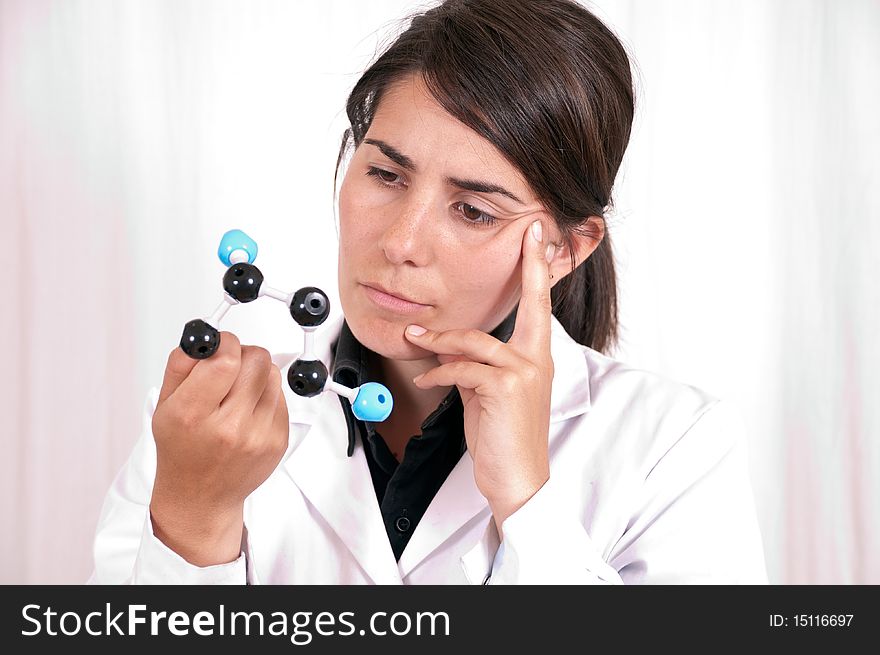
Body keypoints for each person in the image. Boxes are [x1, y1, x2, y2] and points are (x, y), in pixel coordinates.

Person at [89, 0, 768, 584]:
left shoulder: (673, 446)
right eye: (385, 173)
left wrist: (528, 504)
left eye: (473, 210)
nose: (400, 242)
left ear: (564, 248)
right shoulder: (209, 416)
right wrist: (191, 515)